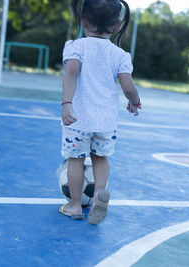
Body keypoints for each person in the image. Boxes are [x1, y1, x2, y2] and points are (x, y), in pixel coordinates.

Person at [59, 0, 141, 224]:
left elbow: (71, 75)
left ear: (84, 20)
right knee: (101, 158)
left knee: (75, 160)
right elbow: (128, 86)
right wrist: (135, 101)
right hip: (106, 122)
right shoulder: (121, 55)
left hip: (78, 119)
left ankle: (75, 206)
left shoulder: (76, 46)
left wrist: (67, 102)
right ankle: (98, 196)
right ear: (116, 26)